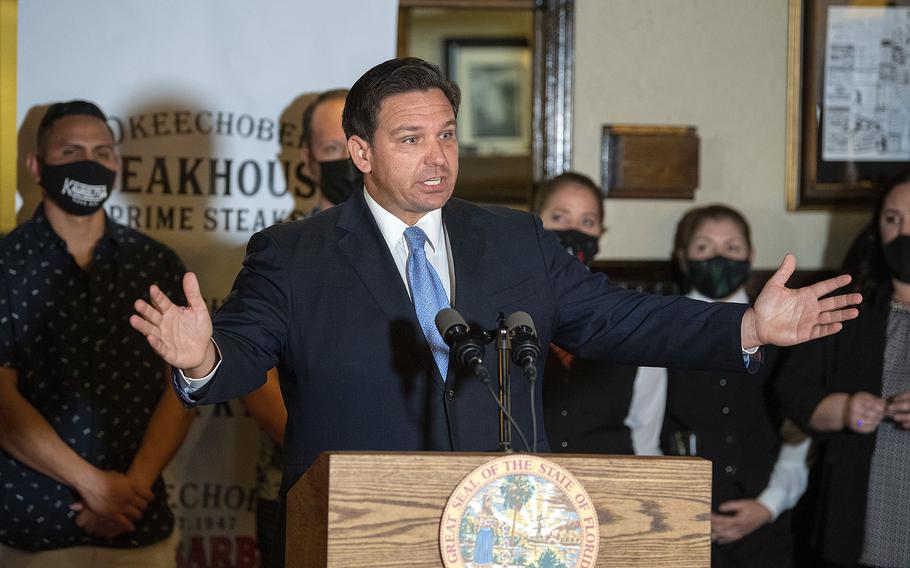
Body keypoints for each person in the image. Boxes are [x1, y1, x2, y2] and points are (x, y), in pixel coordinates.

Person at [129, 57, 860, 562]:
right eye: (411, 140)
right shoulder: (294, 254)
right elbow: (241, 355)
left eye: (446, 135)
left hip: (508, 531)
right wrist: (201, 356)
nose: (438, 157)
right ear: (359, 151)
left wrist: (748, 325)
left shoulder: (513, 239)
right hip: (358, 533)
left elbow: (617, 317)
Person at [0, 101, 193, 566]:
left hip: (137, 526)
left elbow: (183, 384)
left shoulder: (156, 264)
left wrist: (131, 490)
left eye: (102, 152)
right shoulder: (6, 263)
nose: (90, 162)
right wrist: (96, 487)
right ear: (36, 164)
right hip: (26, 533)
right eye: (71, 151)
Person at [632, 205, 810, 567]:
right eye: (703, 248)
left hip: (766, 527)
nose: (717, 257)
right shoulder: (660, 330)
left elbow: (798, 427)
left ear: (751, 256)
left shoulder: (785, 334)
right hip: (677, 520)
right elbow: (643, 429)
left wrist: (769, 504)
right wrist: (675, 504)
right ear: (683, 259)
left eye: (732, 247)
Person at [240, 87, 357, 566]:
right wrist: (325, 459)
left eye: (355, 142)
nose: (347, 160)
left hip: (406, 489)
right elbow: (252, 373)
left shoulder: (424, 248)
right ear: (308, 162)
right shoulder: (281, 252)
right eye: (332, 150)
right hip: (303, 488)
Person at [778, 173, 910, 568]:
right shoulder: (845, 306)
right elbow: (792, 393)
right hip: (862, 516)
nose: (904, 232)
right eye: (892, 219)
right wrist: (846, 407)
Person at [536, 172, 639, 454]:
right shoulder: (499, 304)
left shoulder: (624, 314)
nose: (573, 231)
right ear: (534, 222)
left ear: (600, 234)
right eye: (559, 218)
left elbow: (645, 428)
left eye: (587, 221)